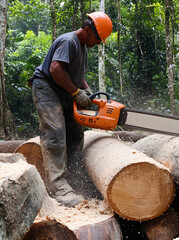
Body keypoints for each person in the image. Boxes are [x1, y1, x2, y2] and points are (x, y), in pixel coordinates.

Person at [30, 12, 112, 207]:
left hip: (64, 91)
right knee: (55, 132)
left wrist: (86, 90)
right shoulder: (69, 41)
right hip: (47, 88)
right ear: (87, 30)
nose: (98, 43)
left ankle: (75, 180)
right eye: (98, 38)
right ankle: (58, 186)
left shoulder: (81, 47)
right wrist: (76, 93)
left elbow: (74, 74)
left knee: (76, 133)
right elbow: (56, 69)